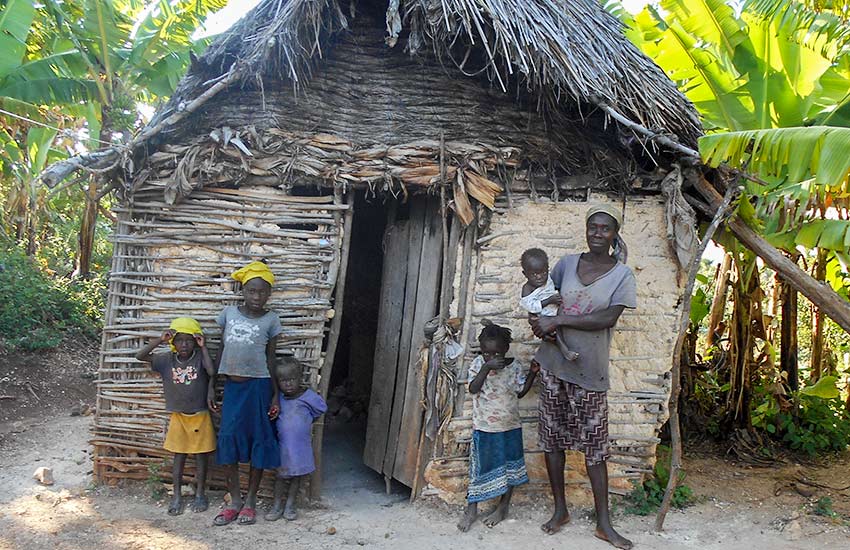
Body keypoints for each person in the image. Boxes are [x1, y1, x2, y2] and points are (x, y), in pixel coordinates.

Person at [530, 204, 636, 549]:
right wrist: (540, 323)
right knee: (552, 440)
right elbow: (546, 301)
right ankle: (560, 511)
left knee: (595, 448)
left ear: (614, 234)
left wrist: (558, 322)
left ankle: (604, 523)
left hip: (589, 370)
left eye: (605, 229)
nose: (597, 234)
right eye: (592, 227)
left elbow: (606, 318)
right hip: (553, 365)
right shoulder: (565, 265)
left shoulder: (622, 276)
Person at [212, 261, 283, 526]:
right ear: (243, 291)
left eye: (262, 292)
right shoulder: (228, 314)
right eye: (252, 291)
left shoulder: (271, 319)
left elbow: (271, 358)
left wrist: (275, 395)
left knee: (259, 439)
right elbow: (219, 349)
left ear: (269, 295)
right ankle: (235, 500)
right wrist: (212, 386)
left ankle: (251, 501)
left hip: (259, 388)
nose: (257, 297)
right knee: (229, 438)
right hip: (233, 388)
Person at [457, 321, 539, 532]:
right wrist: (485, 368)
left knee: (510, 467)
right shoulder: (478, 364)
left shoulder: (514, 366)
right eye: (486, 353)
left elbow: (520, 391)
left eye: (495, 353)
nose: (491, 358)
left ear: (505, 349)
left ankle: (503, 507)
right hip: (485, 427)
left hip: (510, 426)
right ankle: (471, 509)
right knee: (480, 468)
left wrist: (532, 373)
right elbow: (474, 389)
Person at [135, 317, 215, 516]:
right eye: (179, 340)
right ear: (173, 342)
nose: (184, 345)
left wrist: (203, 347)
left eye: (189, 340)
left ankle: (200, 494)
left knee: (200, 457)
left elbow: (212, 371)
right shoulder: (166, 360)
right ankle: (177, 495)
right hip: (178, 416)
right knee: (178, 457)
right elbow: (140, 356)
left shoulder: (199, 358)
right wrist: (160, 340)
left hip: (200, 416)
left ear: (195, 341)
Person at [265, 357, 327, 522]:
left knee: (297, 477)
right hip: (283, 447)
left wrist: (307, 421)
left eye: (292, 380)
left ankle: (290, 504)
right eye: (284, 381)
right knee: (280, 477)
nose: (288, 384)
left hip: (301, 447)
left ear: (300, 378)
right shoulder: (278, 400)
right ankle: (277, 504)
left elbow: (321, 409)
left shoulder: (308, 397)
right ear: (278, 382)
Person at [520, 248, 578, 361]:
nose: (539, 277)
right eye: (534, 274)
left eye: (543, 272)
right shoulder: (527, 288)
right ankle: (565, 350)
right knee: (555, 335)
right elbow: (529, 306)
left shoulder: (549, 280)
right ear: (525, 274)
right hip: (542, 318)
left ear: (548, 269)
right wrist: (549, 300)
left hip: (555, 313)